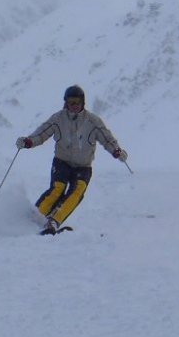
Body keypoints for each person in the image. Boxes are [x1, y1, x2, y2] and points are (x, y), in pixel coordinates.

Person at [16, 85, 127, 234]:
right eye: (71, 102)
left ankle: (53, 222)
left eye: (77, 102)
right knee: (58, 189)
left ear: (83, 102)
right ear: (66, 103)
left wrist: (116, 151)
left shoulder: (93, 121)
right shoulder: (58, 119)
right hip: (62, 162)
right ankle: (36, 217)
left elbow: (107, 138)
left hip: (83, 166)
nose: (74, 106)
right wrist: (29, 142)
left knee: (77, 191)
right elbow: (42, 133)